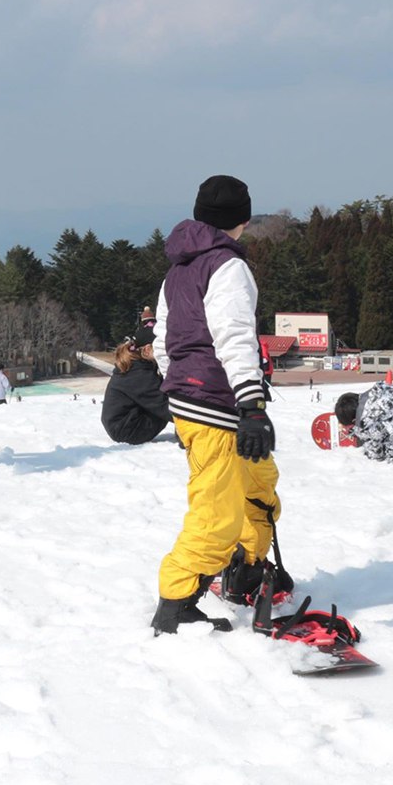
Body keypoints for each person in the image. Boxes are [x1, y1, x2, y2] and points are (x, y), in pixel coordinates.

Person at [152, 175, 288, 634]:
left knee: (259, 487)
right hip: (219, 404)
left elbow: (163, 341)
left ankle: (245, 568)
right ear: (243, 220)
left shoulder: (177, 269)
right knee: (216, 512)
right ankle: (176, 606)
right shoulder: (227, 267)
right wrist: (250, 405)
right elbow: (234, 337)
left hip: (199, 403)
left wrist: (177, 400)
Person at [101, 319, 172, 445]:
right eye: (161, 348)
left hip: (123, 424)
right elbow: (163, 405)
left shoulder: (136, 366)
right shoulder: (137, 373)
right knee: (169, 408)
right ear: (147, 350)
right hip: (127, 429)